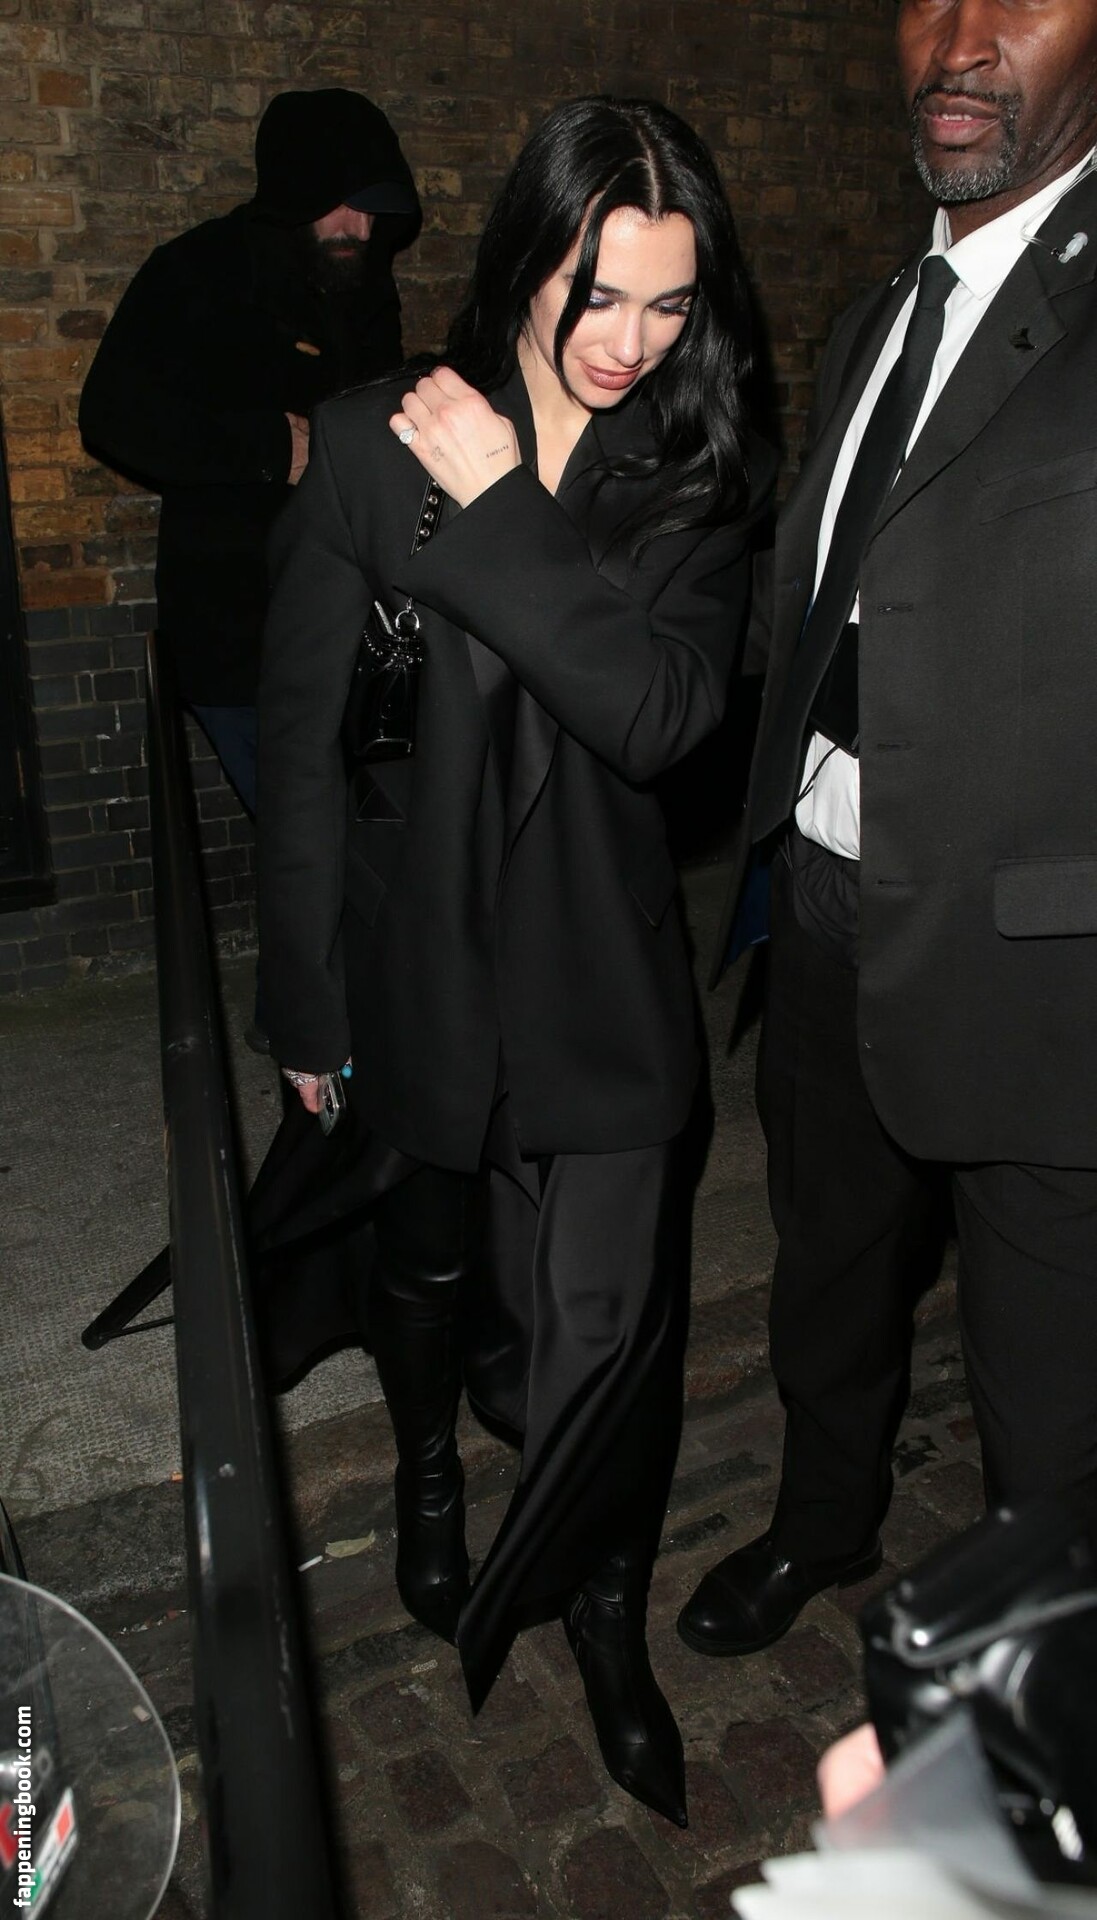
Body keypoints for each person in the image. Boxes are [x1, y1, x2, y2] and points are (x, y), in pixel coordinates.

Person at [257, 95, 772, 1827]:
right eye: (596, 292)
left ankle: (603, 1613)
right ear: (523, 263)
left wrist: (499, 508)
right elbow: (301, 752)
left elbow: (658, 716)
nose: (633, 341)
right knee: (418, 1263)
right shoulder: (370, 437)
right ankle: (426, 1476)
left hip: (597, 985)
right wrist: (304, 1001)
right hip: (412, 962)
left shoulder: (693, 472)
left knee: (608, 1341)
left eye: (671, 302)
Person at [678, 0, 1097, 1666]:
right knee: (829, 1273)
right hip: (822, 902)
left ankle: (1021, 1681)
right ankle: (820, 1518)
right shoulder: (873, 317)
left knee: (1045, 1387)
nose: (960, 41)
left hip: (1042, 957)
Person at [79, 87, 421, 817]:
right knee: (313, 842)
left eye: (371, 209)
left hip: (349, 627)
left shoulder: (361, 277)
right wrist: (269, 446)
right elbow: (112, 413)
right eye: (340, 204)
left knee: (371, 843)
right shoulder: (198, 270)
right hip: (239, 632)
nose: (357, 227)